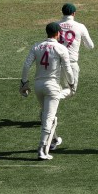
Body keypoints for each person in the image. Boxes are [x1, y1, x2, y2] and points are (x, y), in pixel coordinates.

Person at [20, 22, 75, 161]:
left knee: (46, 115)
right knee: (48, 119)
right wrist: (72, 83)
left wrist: (24, 82)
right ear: (58, 34)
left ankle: (55, 140)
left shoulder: (37, 46)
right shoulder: (61, 48)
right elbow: (68, 69)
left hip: (38, 85)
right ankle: (42, 149)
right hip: (52, 86)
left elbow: (26, 65)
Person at [57, 3, 94, 91]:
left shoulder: (55, 25)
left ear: (62, 12)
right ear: (74, 13)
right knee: (71, 91)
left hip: (55, 63)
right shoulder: (80, 26)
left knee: (55, 89)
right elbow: (90, 46)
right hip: (71, 62)